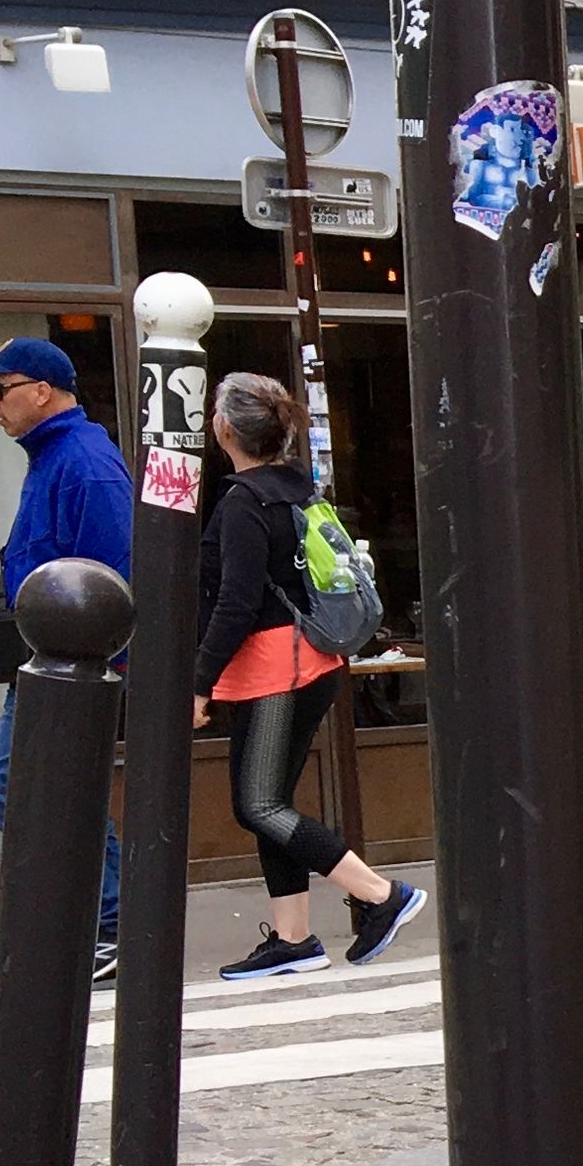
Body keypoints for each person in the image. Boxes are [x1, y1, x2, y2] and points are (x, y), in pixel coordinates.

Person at [190, 375, 422, 979]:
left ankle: (378, 894)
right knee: (272, 804)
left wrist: (199, 679)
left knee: (258, 804)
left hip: (274, 671)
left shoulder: (244, 501)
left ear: (224, 430)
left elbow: (236, 603)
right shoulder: (299, 490)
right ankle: (293, 938)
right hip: (311, 663)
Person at [0, 337, 131, 978]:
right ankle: (106, 920)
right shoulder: (54, 457)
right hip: (52, 661)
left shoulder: (83, 463)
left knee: (14, 788)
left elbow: (115, 573)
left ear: (41, 391)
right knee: (44, 792)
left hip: (73, 666)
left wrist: (105, 666)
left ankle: (113, 921)